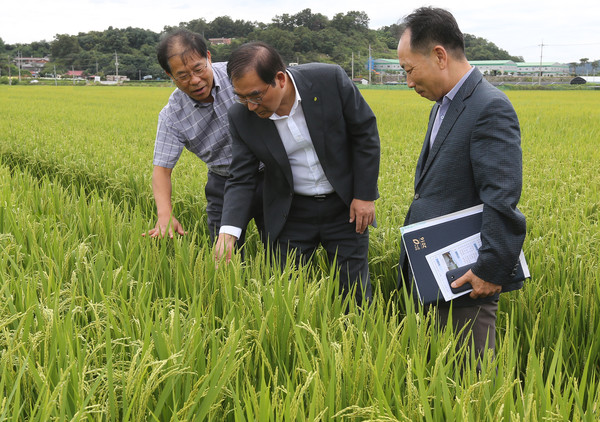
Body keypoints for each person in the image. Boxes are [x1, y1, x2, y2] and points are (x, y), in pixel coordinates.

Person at [396, 7, 526, 355]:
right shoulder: (443, 104)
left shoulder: (489, 106)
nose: (408, 82)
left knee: (472, 378)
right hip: (435, 269)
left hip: (468, 278)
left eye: (409, 70)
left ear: (439, 55)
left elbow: (501, 197)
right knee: (436, 372)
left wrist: (490, 270)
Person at [214, 42, 380, 305]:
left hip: (345, 207)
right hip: (291, 213)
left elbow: (365, 133)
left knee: (355, 294)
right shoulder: (241, 117)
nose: (251, 106)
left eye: (255, 96)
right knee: (284, 297)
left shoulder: (328, 80)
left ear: (280, 79)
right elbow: (241, 177)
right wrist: (229, 232)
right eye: (241, 97)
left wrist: (364, 195)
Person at [144, 29, 262, 246]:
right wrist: (165, 214)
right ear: (170, 75)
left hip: (268, 173)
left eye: (199, 69)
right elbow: (161, 170)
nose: (195, 80)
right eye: (183, 76)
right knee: (223, 254)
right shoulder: (172, 117)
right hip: (224, 181)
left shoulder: (237, 75)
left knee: (282, 249)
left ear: (208, 57)